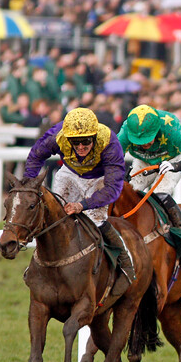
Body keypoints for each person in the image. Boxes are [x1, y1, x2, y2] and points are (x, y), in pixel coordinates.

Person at [23, 107, 135, 290]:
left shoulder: (109, 142)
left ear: (94, 137)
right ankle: (37, 265)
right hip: (70, 173)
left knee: (96, 219)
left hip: (100, 179)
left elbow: (113, 189)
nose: (81, 147)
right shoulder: (57, 136)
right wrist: (29, 183)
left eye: (85, 142)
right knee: (55, 216)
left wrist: (82, 205)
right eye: (75, 142)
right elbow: (36, 156)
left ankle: (125, 262)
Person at [117, 104, 181, 269]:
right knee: (128, 193)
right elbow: (112, 157)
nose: (144, 144)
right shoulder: (126, 131)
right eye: (139, 141)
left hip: (173, 159)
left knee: (160, 193)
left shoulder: (170, 128)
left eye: (148, 139)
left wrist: (180, 165)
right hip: (143, 161)